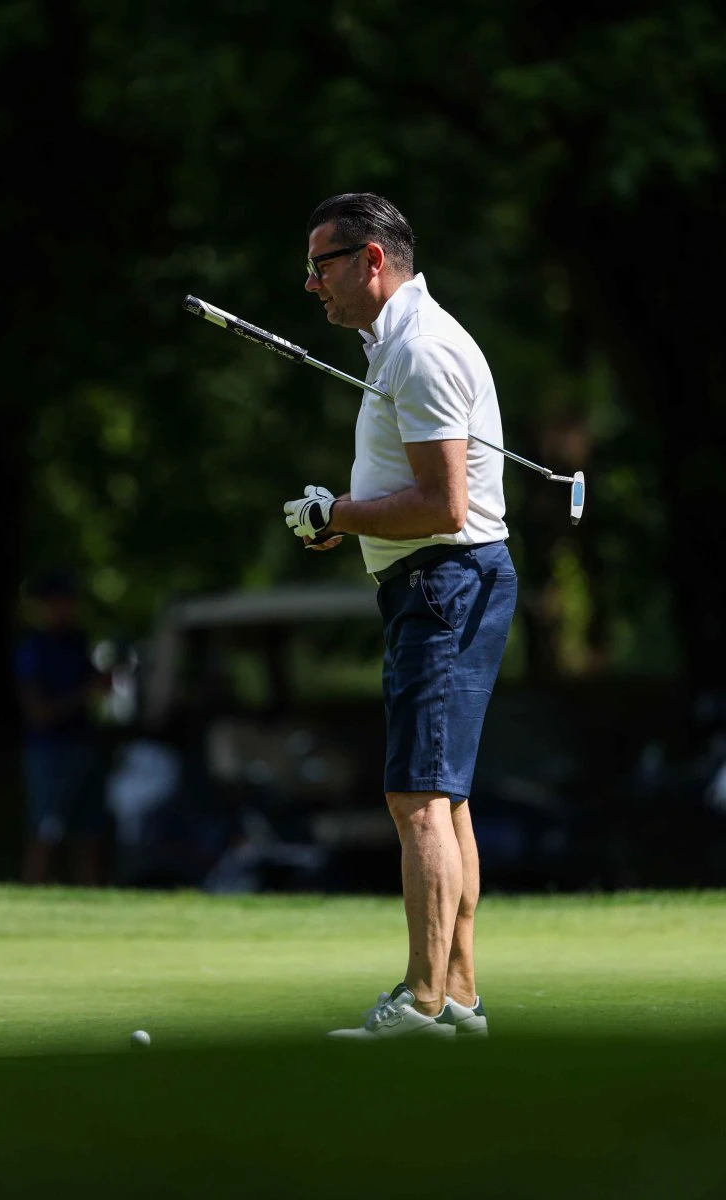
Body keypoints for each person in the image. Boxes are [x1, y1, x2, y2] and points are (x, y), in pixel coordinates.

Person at [283, 193, 517, 1039]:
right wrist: (341, 513)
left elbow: (444, 505)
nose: (312, 284)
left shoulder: (419, 349)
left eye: (322, 265)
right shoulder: (401, 344)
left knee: (416, 796)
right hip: (443, 581)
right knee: (444, 801)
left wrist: (335, 515)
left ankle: (421, 1003)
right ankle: (457, 997)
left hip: (442, 581)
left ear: (371, 260)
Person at [15, 569, 108, 885]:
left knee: (90, 835)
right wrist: (85, 693)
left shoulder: (77, 643)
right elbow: (38, 713)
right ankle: (30, 898)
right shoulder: (34, 650)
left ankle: (91, 906)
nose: (66, 608)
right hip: (49, 752)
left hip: (83, 747)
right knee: (45, 831)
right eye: (58, 602)